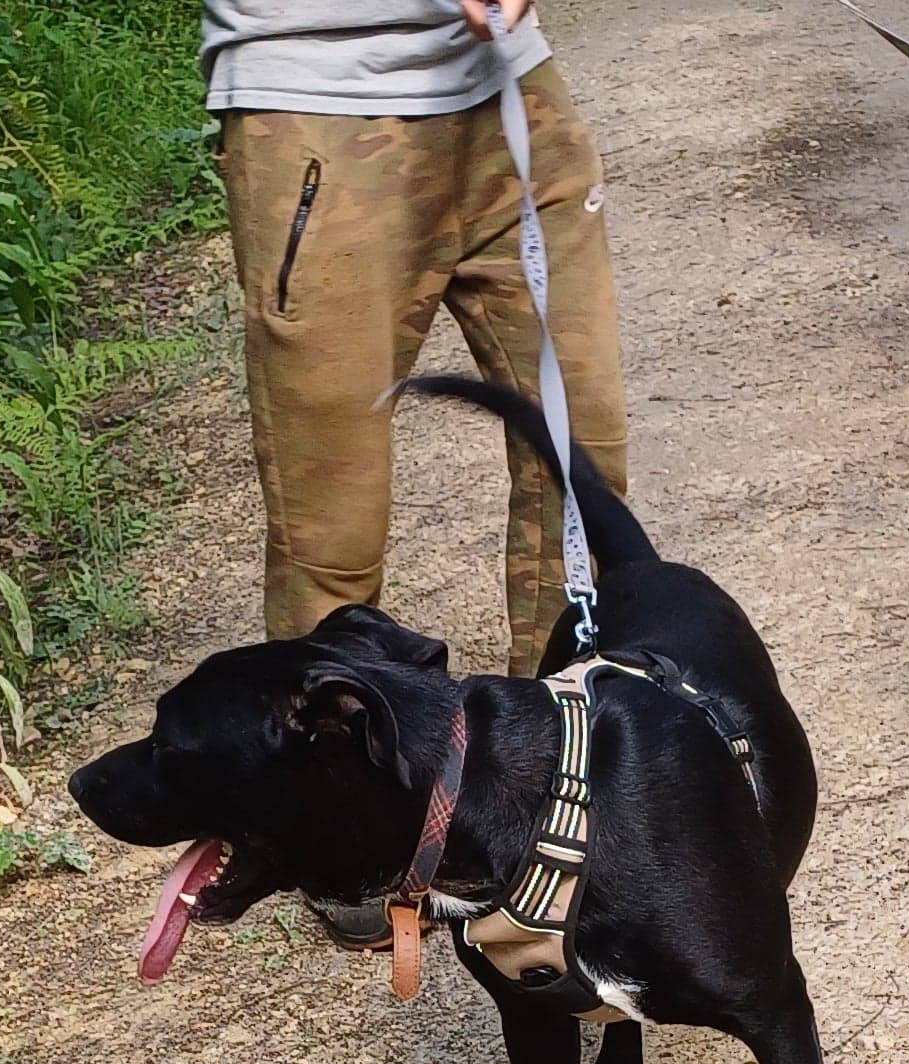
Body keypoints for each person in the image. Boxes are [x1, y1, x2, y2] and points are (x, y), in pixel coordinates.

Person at [203, 0, 628, 945]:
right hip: (316, 113)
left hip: (509, 93)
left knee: (582, 469)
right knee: (332, 527)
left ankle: (556, 794)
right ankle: (344, 834)